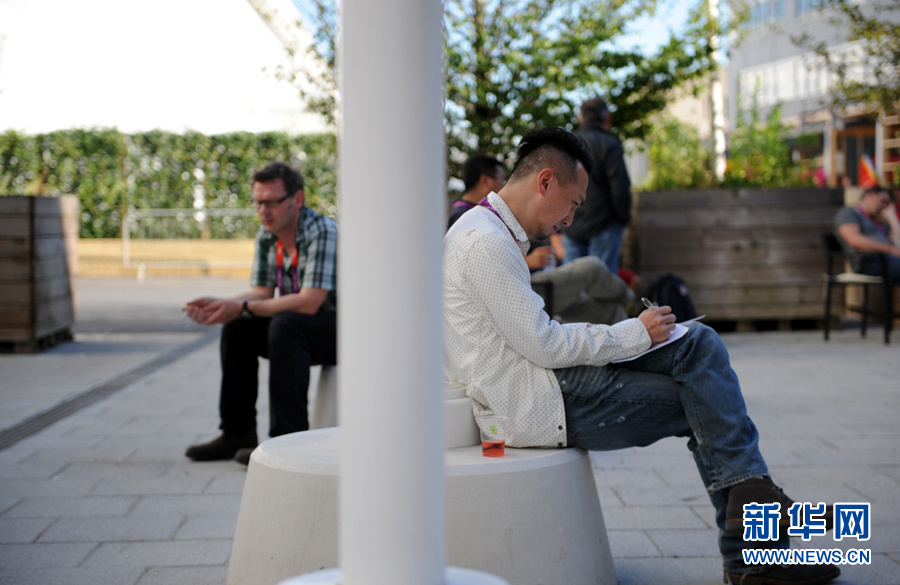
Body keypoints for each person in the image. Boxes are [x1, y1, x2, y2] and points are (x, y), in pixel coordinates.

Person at [443, 127, 839, 585]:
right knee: (706, 401)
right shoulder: (485, 242)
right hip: (537, 402)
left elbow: (534, 339)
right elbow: (544, 344)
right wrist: (634, 333)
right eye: (574, 203)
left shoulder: (487, 231)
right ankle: (753, 552)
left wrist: (634, 334)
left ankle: (754, 524)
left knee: (699, 341)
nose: (571, 220)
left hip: (545, 381)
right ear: (545, 181)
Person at [183, 161, 338, 465]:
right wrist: (221, 305)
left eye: (271, 202)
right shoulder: (269, 234)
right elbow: (261, 293)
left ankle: (288, 441)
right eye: (258, 203)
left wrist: (240, 306)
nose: (263, 211)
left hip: (347, 330)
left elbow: (309, 302)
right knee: (239, 325)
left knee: (286, 325)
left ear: (297, 199)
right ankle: (237, 433)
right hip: (306, 325)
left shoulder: (322, 231)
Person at [449, 153, 635, 325]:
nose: (568, 220)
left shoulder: (489, 216)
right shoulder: (474, 221)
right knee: (591, 267)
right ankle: (632, 301)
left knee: (610, 308)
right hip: (531, 285)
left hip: (534, 286)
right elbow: (486, 269)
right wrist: (529, 261)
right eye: (501, 178)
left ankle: (634, 315)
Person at [561, 96, 632, 274]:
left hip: (570, 223)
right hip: (604, 224)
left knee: (571, 283)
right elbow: (620, 188)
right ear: (607, 118)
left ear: (580, 119)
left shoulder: (566, 143)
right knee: (602, 283)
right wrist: (623, 219)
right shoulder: (610, 143)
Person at [834, 185, 900, 282]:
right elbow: (854, 240)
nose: (884, 206)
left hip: (887, 259)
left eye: (887, 204)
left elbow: (898, 241)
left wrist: (892, 216)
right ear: (870, 195)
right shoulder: (849, 212)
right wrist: (889, 249)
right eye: (883, 201)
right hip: (869, 262)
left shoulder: (879, 220)